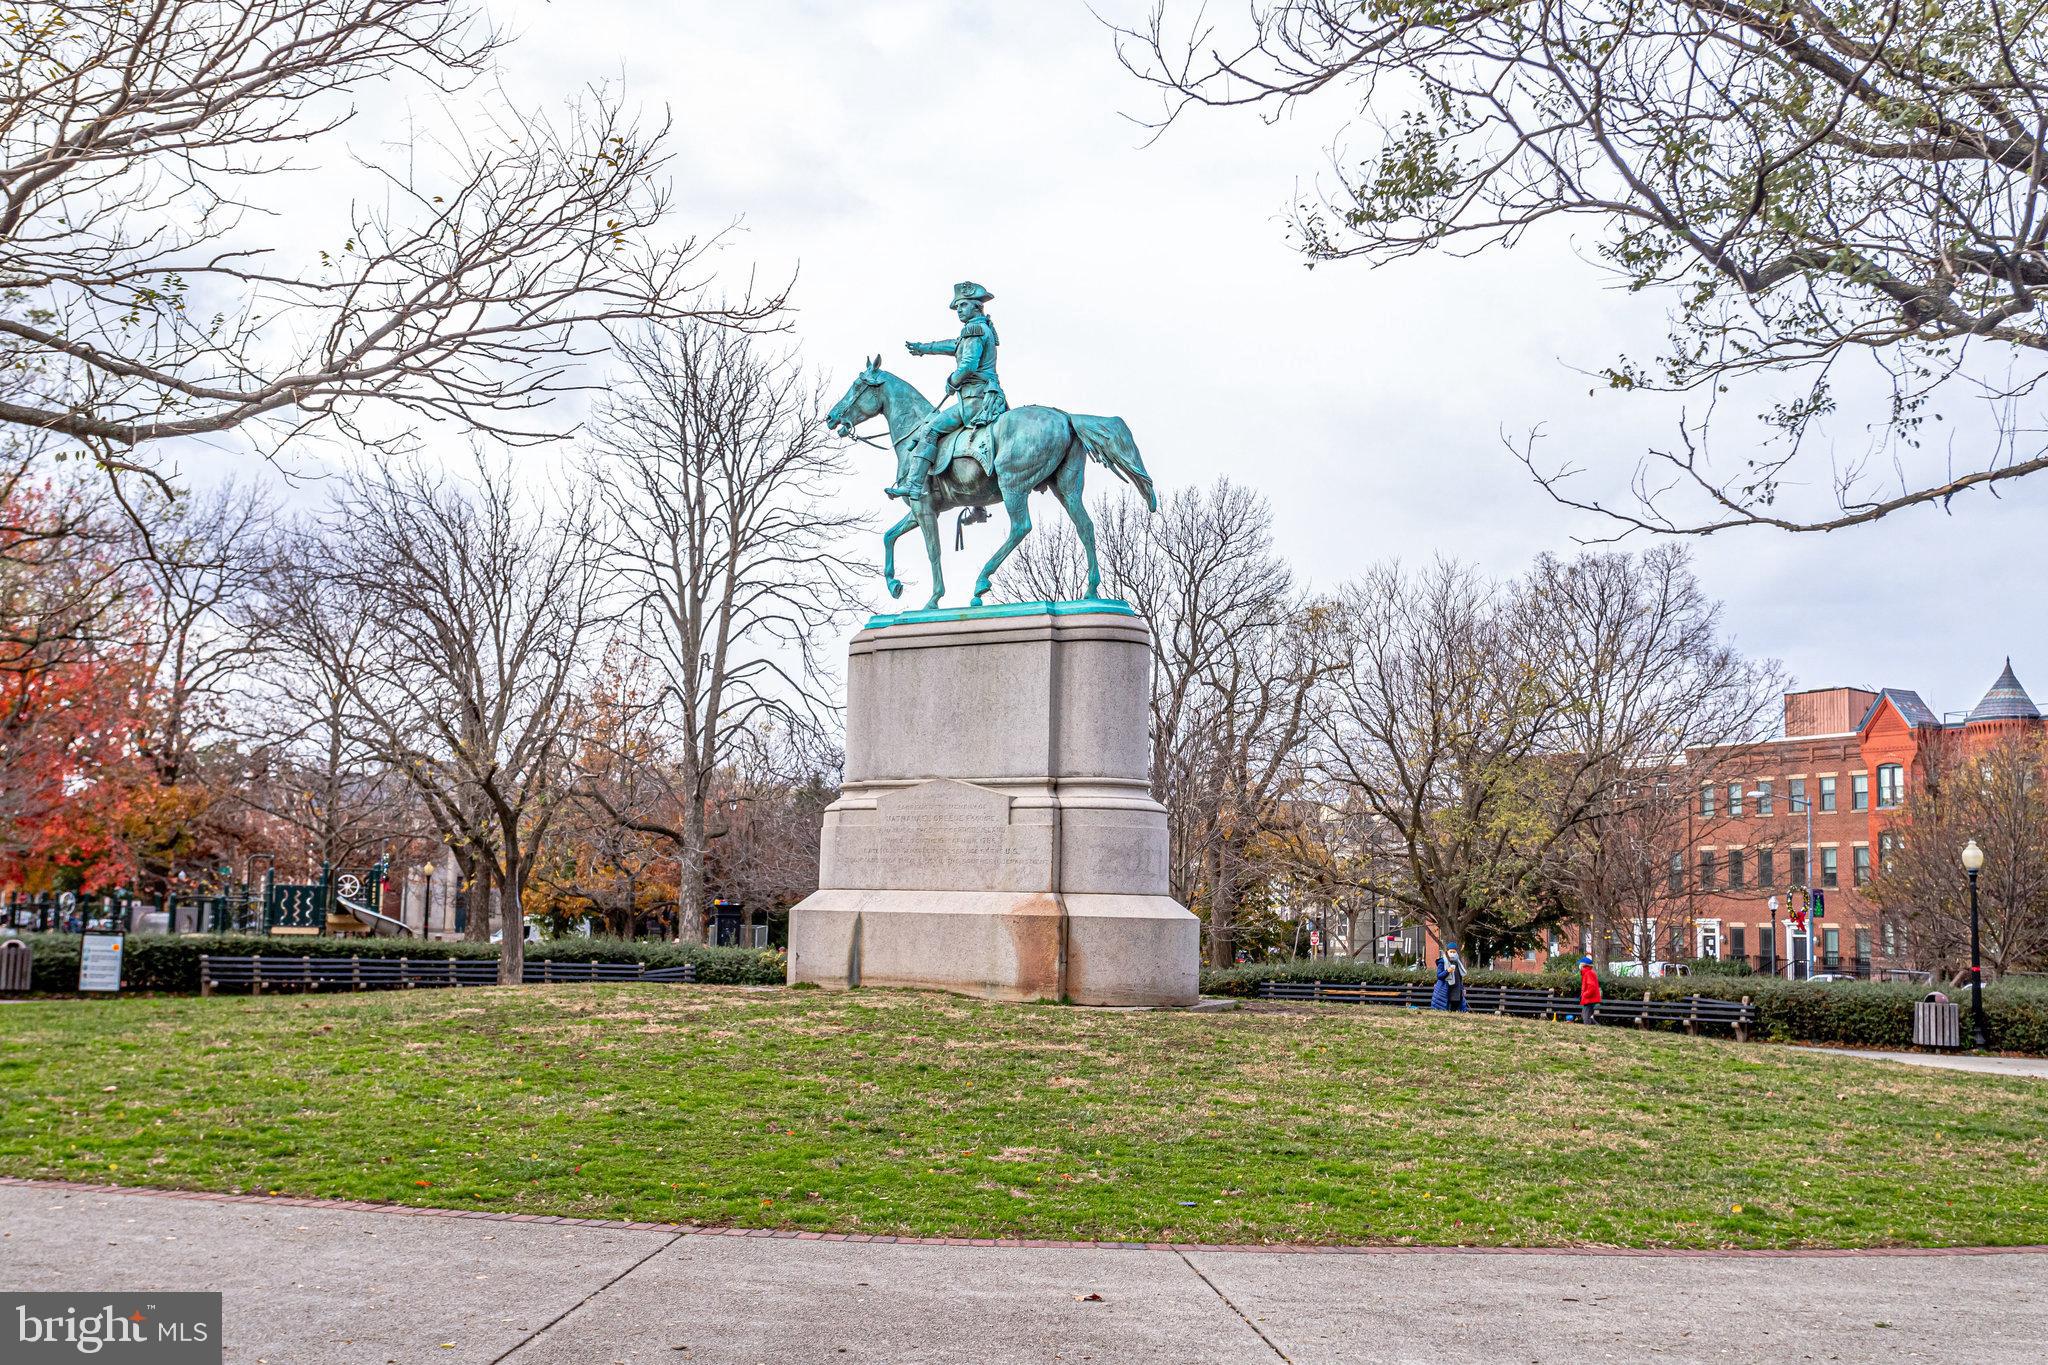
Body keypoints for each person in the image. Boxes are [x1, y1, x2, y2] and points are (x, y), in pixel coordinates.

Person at [886, 281, 1009, 500]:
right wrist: (924, 348)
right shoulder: (981, 329)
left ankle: (914, 484)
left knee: (930, 430)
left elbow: (969, 364)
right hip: (984, 396)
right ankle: (977, 505)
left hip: (974, 400)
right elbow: (953, 345)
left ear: (976, 307)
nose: (959, 310)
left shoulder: (973, 329)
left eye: (962, 305)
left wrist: (952, 380)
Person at [1578, 954, 1601, 1025]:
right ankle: (1597, 1027)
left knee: (1585, 1017)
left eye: (1580, 965)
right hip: (1589, 999)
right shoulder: (1587, 973)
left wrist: (1585, 994)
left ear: (1583, 965)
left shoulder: (1588, 973)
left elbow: (1592, 987)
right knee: (1585, 1015)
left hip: (1590, 999)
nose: (1579, 966)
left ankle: (1589, 1030)